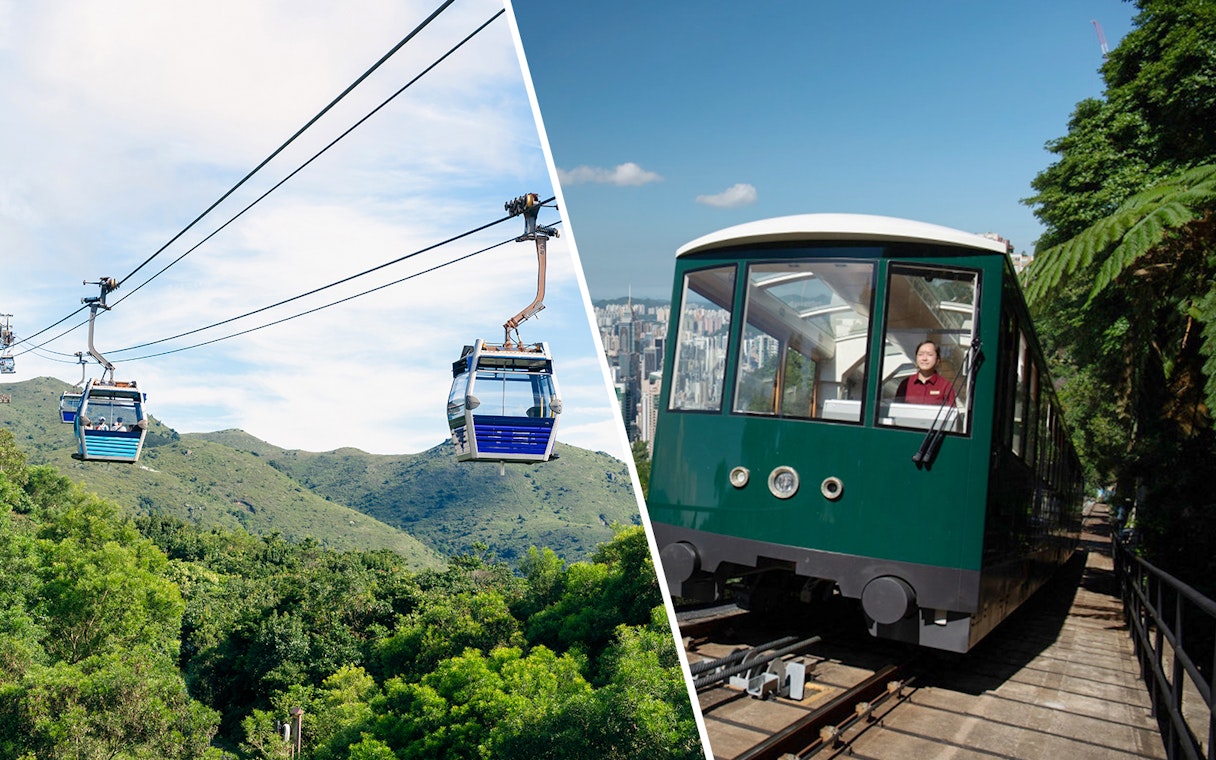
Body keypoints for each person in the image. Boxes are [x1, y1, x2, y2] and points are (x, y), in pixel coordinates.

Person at [895, 340, 956, 405]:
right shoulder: (906, 384)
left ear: (938, 360)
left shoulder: (945, 386)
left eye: (929, 355)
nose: (924, 358)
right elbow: (896, 410)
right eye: (920, 354)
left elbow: (951, 412)